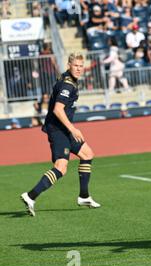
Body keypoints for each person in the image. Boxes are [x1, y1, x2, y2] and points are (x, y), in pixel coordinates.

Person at [20, 53, 101, 217]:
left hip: (64, 129)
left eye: (81, 66)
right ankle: (30, 196)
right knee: (61, 168)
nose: (79, 69)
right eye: (76, 65)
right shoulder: (67, 85)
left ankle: (84, 196)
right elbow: (58, 109)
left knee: (87, 154)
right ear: (69, 65)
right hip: (59, 130)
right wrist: (73, 129)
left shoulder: (69, 81)